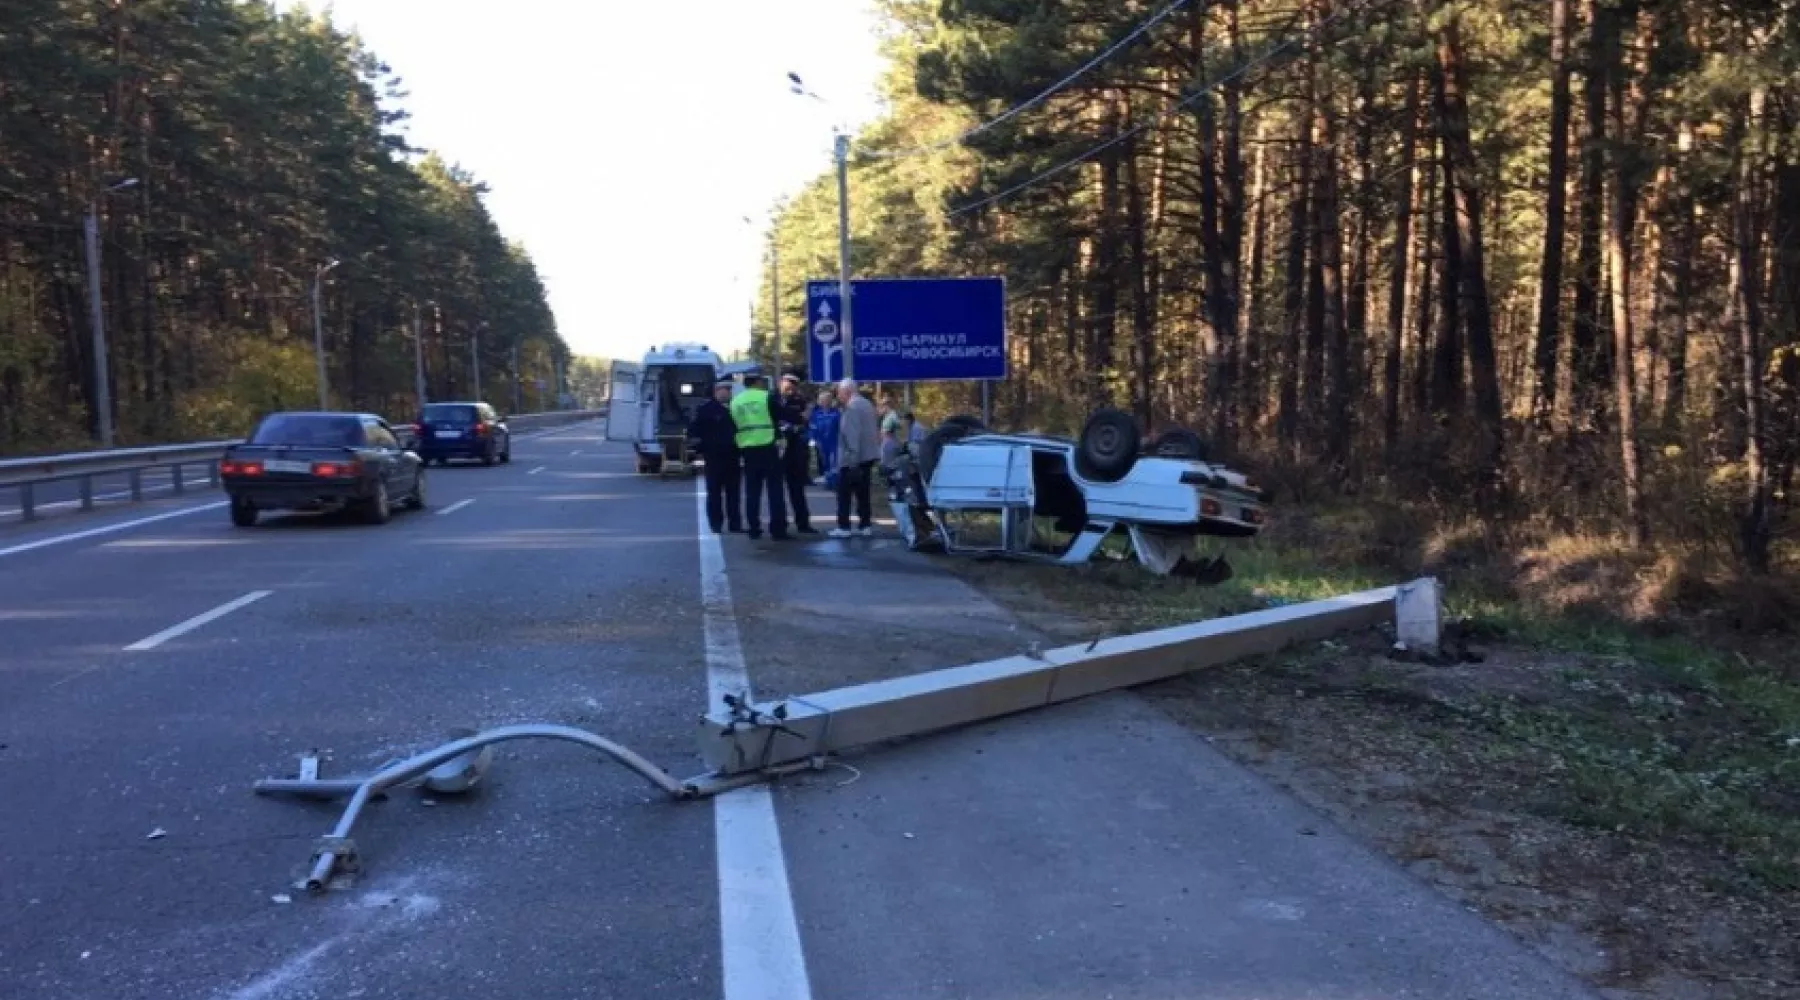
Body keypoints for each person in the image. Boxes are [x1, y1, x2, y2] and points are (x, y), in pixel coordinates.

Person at [729, 373, 789, 541]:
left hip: (748, 449)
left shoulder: (736, 401)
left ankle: (754, 528)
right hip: (768, 446)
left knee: (752, 492)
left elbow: (733, 425)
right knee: (775, 490)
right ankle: (778, 529)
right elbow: (782, 414)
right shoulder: (765, 397)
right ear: (757, 382)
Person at [686, 379, 742, 534]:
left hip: (733, 455)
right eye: (725, 389)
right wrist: (700, 448)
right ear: (717, 391)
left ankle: (735, 524)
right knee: (714, 493)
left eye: (729, 390)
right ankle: (716, 524)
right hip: (714, 457)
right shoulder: (706, 409)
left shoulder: (735, 407)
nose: (728, 393)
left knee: (733, 493)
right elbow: (694, 431)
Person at [831, 378, 880, 538]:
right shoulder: (867, 404)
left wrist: (851, 461)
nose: (838, 396)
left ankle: (844, 527)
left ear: (847, 392)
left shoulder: (851, 408)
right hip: (868, 455)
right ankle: (865, 525)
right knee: (863, 493)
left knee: (844, 493)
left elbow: (852, 435)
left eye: (839, 392)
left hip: (853, 458)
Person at [775, 372, 817, 534]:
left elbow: (805, 420)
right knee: (777, 489)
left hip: (795, 448)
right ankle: (780, 524)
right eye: (787, 384)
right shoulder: (772, 399)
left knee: (797, 488)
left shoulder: (799, 401)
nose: (790, 388)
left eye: (793, 385)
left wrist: (795, 425)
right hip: (776, 447)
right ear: (781, 383)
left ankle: (803, 523)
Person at [809, 389, 840, 489]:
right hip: (821, 442)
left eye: (826, 399)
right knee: (824, 462)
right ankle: (828, 481)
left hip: (833, 442)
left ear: (830, 401)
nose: (823, 402)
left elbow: (840, 428)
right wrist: (812, 439)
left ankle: (833, 482)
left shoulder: (836, 413)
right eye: (821, 400)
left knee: (833, 462)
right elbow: (812, 427)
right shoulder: (816, 414)